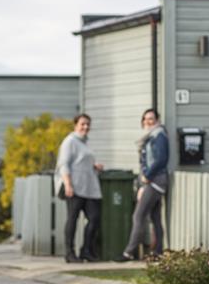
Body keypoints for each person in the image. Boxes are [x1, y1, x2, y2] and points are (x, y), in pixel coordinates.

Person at [116, 108, 169, 261]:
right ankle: (158, 252)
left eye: (151, 119)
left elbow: (161, 160)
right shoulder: (151, 136)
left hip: (155, 181)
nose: (148, 121)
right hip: (152, 182)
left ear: (157, 120)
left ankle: (128, 252)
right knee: (155, 217)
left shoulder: (159, 136)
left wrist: (147, 176)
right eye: (145, 119)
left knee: (138, 216)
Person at [55, 113, 103, 263]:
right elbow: (64, 164)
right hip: (74, 187)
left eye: (88, 124)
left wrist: (94, 165)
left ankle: (86, 250)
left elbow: (81, 161)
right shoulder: (70, 142)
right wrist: (68, 184)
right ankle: (69, 253)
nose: (86, 127)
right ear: (75, 125)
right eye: (82, 124)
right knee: (72, 219)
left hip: (88, 188)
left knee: (94, 218)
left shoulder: (85, 143)